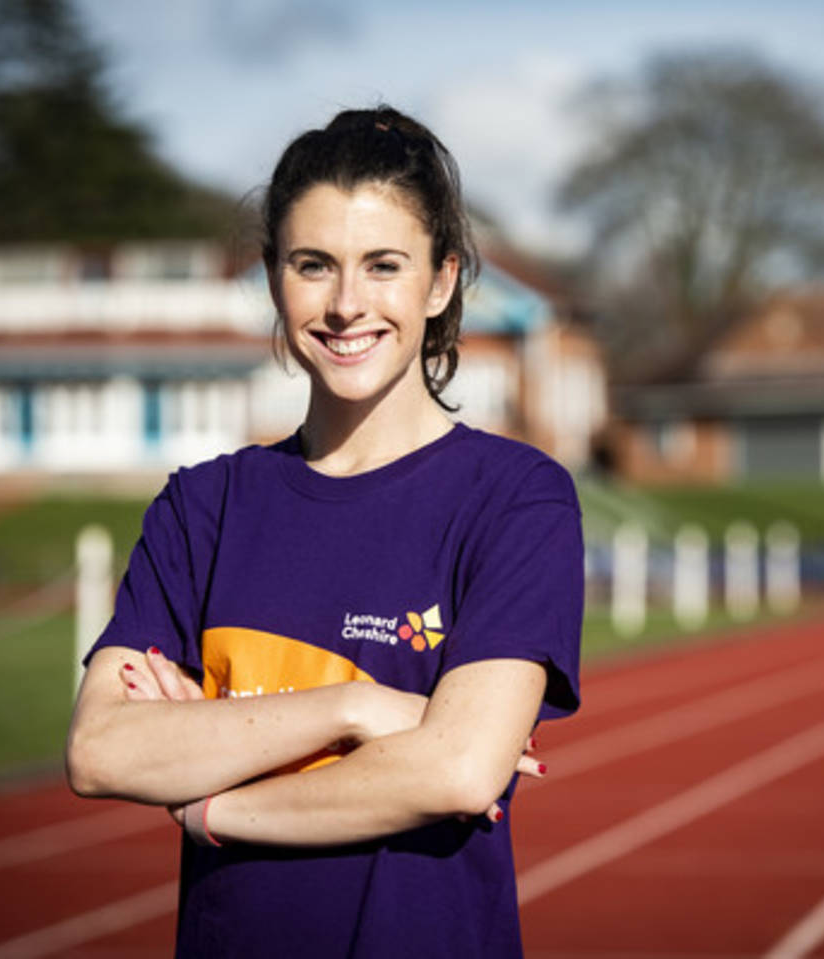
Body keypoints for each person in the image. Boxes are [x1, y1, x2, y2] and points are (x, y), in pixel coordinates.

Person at [65, 105, 583, 958]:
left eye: (385, 266)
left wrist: (214, 802)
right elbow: (103, 748)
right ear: (274, 276)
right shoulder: (204, 507)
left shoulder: (517, 499)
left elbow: (456, 770)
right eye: (314, 265)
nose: (347, 306)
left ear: (443, 280)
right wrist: (360, 707)